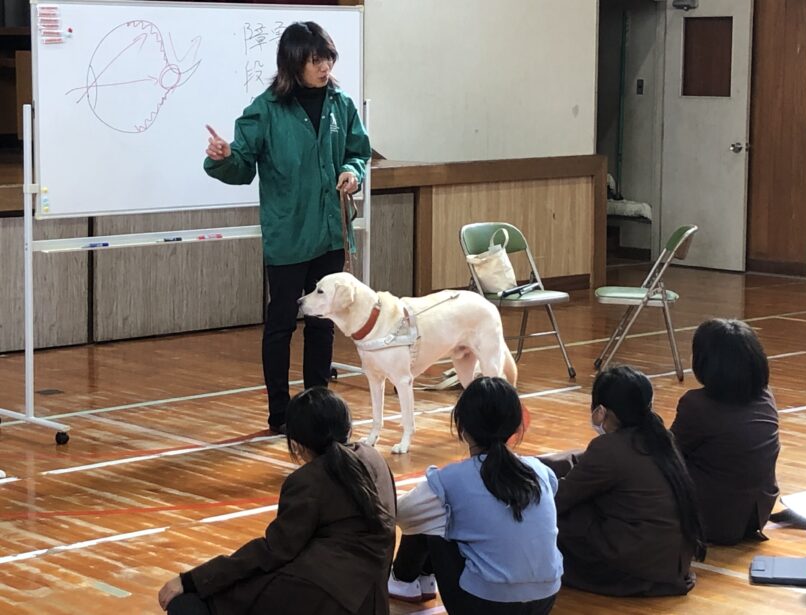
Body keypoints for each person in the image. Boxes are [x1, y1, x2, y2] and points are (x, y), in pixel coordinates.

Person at [204, 22, 371, 433]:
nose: (325, 67)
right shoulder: (266, 109)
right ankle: (279, 412)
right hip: (288, 235)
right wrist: (224, 157)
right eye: (316, 60)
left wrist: (352, 172)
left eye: (328, 58)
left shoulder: (341, 103)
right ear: (293, 63)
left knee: (322, 323)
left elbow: (358, 151)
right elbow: (242, 165)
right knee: (281, 324)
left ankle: (318, 408)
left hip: (330, 232)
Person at [157, 387, 396, 615]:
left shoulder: (308, 480)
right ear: (348, 428)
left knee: (188, 603)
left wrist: (193, 579)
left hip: (322, 595)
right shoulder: (375, 459)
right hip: (372, 599)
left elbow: (274, 551)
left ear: (297, 445)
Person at [389, 377, 562, 615]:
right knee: (445, 512)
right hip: (545, 600)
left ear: (462, 427)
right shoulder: (540, 471)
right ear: (516, 427)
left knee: (433, 512)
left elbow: (399, 513)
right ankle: (418, 578)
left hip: (482, 605)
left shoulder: (450, 480)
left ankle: (403, 580)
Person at [541, 366, 706, 596]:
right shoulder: (662, 438)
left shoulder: (608, 448)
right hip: (675, 560)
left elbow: (559, 500)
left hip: (641, 564)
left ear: (601, 411)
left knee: (562, 517)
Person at [670, 319, 780, 545]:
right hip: (755, 515)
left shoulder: (697, 405)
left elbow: (667, 454)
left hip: (712, 519)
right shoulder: (765, 397)